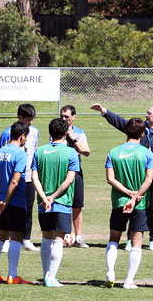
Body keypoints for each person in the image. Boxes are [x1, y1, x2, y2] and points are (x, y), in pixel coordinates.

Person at [91, 102, 153, 252]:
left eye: (149, 113)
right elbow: (120, 122)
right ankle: (130, 239)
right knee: (133, 208)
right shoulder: (140, 129)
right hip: (135, 179)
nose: (146, 114)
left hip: (152, 180)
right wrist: (104, 111)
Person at [104, 118, 153, 289]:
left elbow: (110, 179)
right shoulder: (147, 154)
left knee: (114, 240)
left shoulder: (113, 152)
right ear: (142, 134)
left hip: (119, 202)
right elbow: (149, 179)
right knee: (137, 242)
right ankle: (128, 281)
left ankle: (110, 272)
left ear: (126, 132)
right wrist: (135, 197)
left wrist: (127, 194)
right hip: (139, 204)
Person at [32, 118, 80, 287]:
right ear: (66, 133)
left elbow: (34, 177)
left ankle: (46, 274)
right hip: (62, 202)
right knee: (59, 239)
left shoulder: (40, 151)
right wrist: (53, 197)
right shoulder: (71, 153)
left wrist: (44, 197)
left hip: (42, 203)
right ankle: (51, 277)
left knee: (46, 238)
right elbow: (69, 180)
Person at [0, 121, 34, 284]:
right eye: (26, 137)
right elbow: (15, 182)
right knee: (16, 238)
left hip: (1, 200)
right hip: (15, 201)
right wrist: (6, 202)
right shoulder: (20, 154)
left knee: (0, 238)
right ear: (22, 136)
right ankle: (12, 275)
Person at [0, 104, 40, 252]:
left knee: (28, 208)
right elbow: (1, 154)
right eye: (28, 119)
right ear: (20, 117)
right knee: (9, 207)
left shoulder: (34, 132)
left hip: (28, 177)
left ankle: (26, 239)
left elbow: (34, 152)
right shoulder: (7, 133)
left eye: (32, 119)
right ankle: (8, 239)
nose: (31, 123)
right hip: (11, 177)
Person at [60, 105, 90, 248]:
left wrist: (72, 138)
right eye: (62, 116)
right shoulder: (57, 130)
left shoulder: (79, 132)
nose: (64, 119)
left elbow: (86, 151)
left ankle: (78, 237)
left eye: (66, 116)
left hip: (76, 172)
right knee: (62, 204)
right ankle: (65, 235)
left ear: (73, 117)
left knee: (77, 206)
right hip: (61, 172)